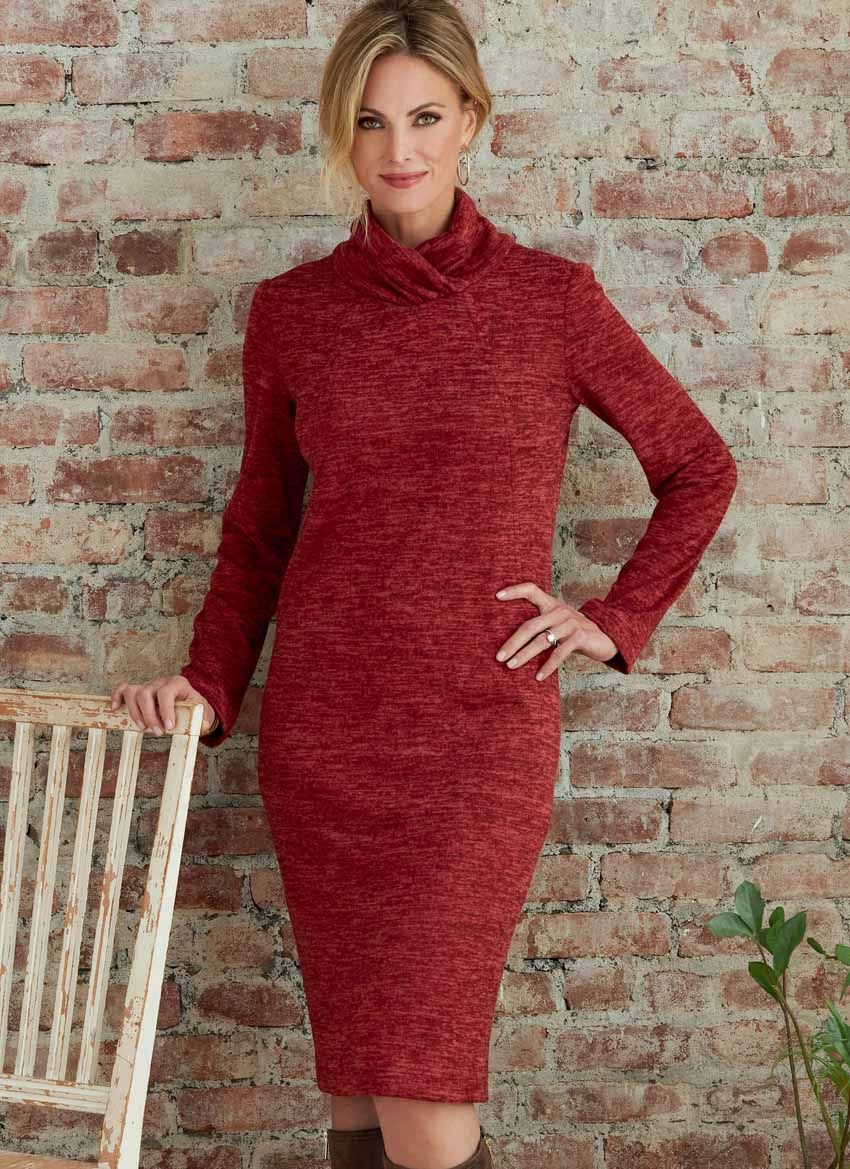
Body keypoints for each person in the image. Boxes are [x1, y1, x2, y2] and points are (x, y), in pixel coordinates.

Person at [111, 2, 739, 1167]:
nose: (398, 148)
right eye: (369, 121)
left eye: (424, 117)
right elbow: (259, 531)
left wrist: (612, 619)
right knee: (356, 1097)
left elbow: (698, 465)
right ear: (338, 133)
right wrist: (207, 681)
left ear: (471, 123)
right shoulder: (293, 314)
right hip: (326, 739)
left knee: (423, 1094)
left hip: (473, 743)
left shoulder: (551, 300)